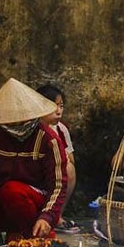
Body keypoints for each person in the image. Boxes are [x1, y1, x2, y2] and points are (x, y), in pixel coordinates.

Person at [0, 78, 69, 247]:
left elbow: (58, 185)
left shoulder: (48, 139)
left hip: (31, 201)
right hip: (1, 200)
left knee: (13, 190)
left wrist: (47, 217)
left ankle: (29, 239)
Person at [36, 84, 78, 233]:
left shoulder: (61, 129)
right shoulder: (33, 128)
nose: (59, 111)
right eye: (54, 107)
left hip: (55, 174)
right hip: (36, 174)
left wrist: (63, 156)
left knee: (69, 169)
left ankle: (57, 215)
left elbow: (70, 156)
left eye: (61, 106)